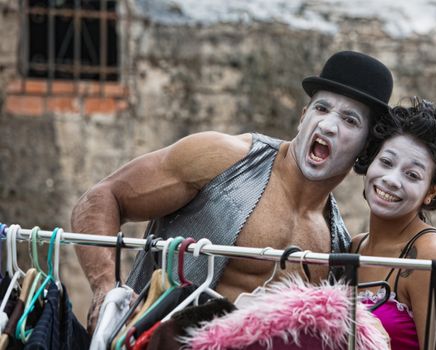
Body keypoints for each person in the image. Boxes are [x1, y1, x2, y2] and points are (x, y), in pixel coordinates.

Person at [70, 50, 394, 332]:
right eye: (321, 109)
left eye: (350, 120)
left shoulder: (335, 245)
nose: (327, 126)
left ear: (365, 148)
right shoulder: (224, 158)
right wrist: (105, 289)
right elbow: (102, 197)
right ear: (302, 117)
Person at [350, 98, 436, 349]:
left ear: (432, 191)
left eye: (412, 175)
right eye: (386, 162)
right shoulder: (353, 247)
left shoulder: (431, 257)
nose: (392, 180)